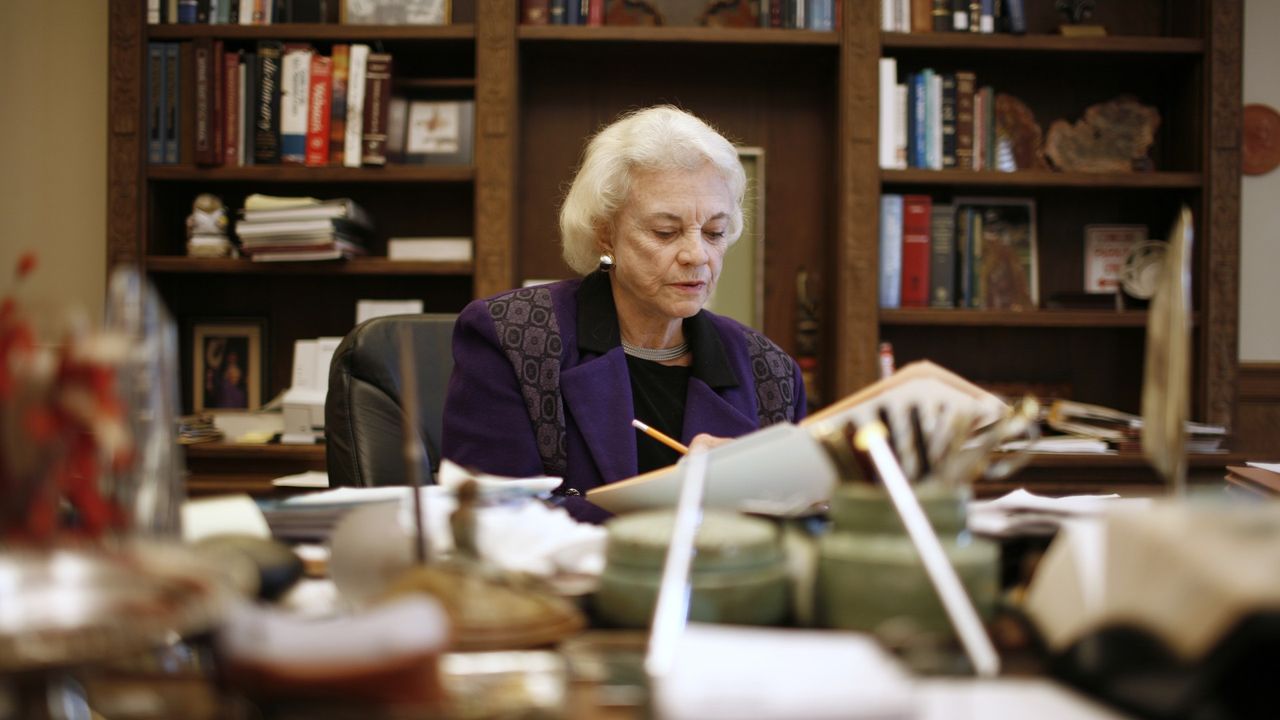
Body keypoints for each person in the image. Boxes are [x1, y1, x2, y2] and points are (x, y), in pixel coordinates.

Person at [442, 106, 805, 522]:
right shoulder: (513, 338)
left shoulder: (771, 375)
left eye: (715, 232)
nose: (697, 255)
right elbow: (485, 519)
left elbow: (799, 528)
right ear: (605, 232)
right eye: (665, 232)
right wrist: (679, 502)